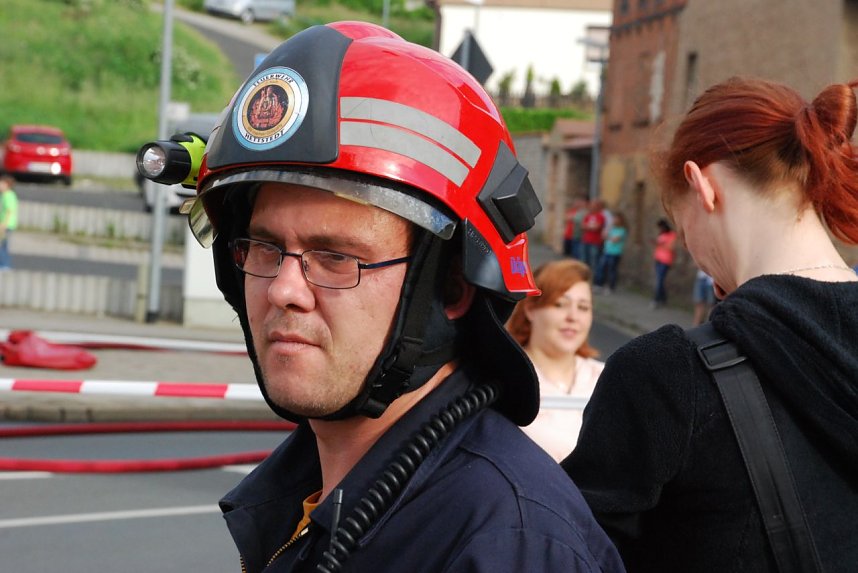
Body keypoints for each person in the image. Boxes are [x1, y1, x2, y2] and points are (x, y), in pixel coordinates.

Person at [160, 22, 623, 573]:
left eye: (336, 257)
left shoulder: (511, 543)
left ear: (449, 289)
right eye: (263, 247)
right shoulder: (315, 494)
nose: (283, 288)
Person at [563, 75, 858, 572]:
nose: (692, 252)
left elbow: (567, 552)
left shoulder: (666, 375)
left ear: (704, 187)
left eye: (682, 227)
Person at [506, 259, 604, 461]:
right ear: (531, 309)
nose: (573, 317)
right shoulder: (507, 378)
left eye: (583, 307)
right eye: (560, 304)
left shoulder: (606, 378)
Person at [594, 211, 627, 293]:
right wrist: (609, 227)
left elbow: (615, 240)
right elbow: (603, 236)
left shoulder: (622, 230)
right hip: (606, 251)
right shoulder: (612, 228)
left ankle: (611, 287)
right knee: (602, 268)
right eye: (614, 218)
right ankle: (599, 285)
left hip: (615, 253)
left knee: (612, 271)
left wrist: (608, 237)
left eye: (616, 219)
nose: (614, 220)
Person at [650, 217, 676, 307]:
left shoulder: (672, 235)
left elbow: (671, 248)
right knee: (659, 280)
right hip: (658, 259)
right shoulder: (661, 234)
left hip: (666, 260)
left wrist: (661, 244)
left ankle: (656, 299)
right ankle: (663, 298)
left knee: (660, 280)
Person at [0, 175, 19, 270]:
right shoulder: (3, 195)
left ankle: (4, 265)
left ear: (6, 185)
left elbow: (9, 211)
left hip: (7, 225)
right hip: (4, 224)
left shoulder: (9, 195)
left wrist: (3, 225)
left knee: (3, 245)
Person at [581, 199, 606, 270]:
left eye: (593, 206)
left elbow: (597, 227)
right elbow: (582, 226)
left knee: (594, 261)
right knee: (584, 261)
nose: (591, 207)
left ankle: (594, 278)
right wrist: (591, 226)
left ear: (597, 207)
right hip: (586, 240)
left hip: (595, 242)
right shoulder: (588, 216)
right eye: (591, 205)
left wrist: (588, 226)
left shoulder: (600, 216)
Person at [562, 195, 587, 259]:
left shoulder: (582, 212)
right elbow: (566, 218)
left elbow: (575, 219)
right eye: (576, 202)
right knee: (568, 253)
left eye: (578, 202)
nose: (576, 204)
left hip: (575, 235)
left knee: (576, 254)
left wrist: (572, 217)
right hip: (568, 234)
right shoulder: (572, 210)